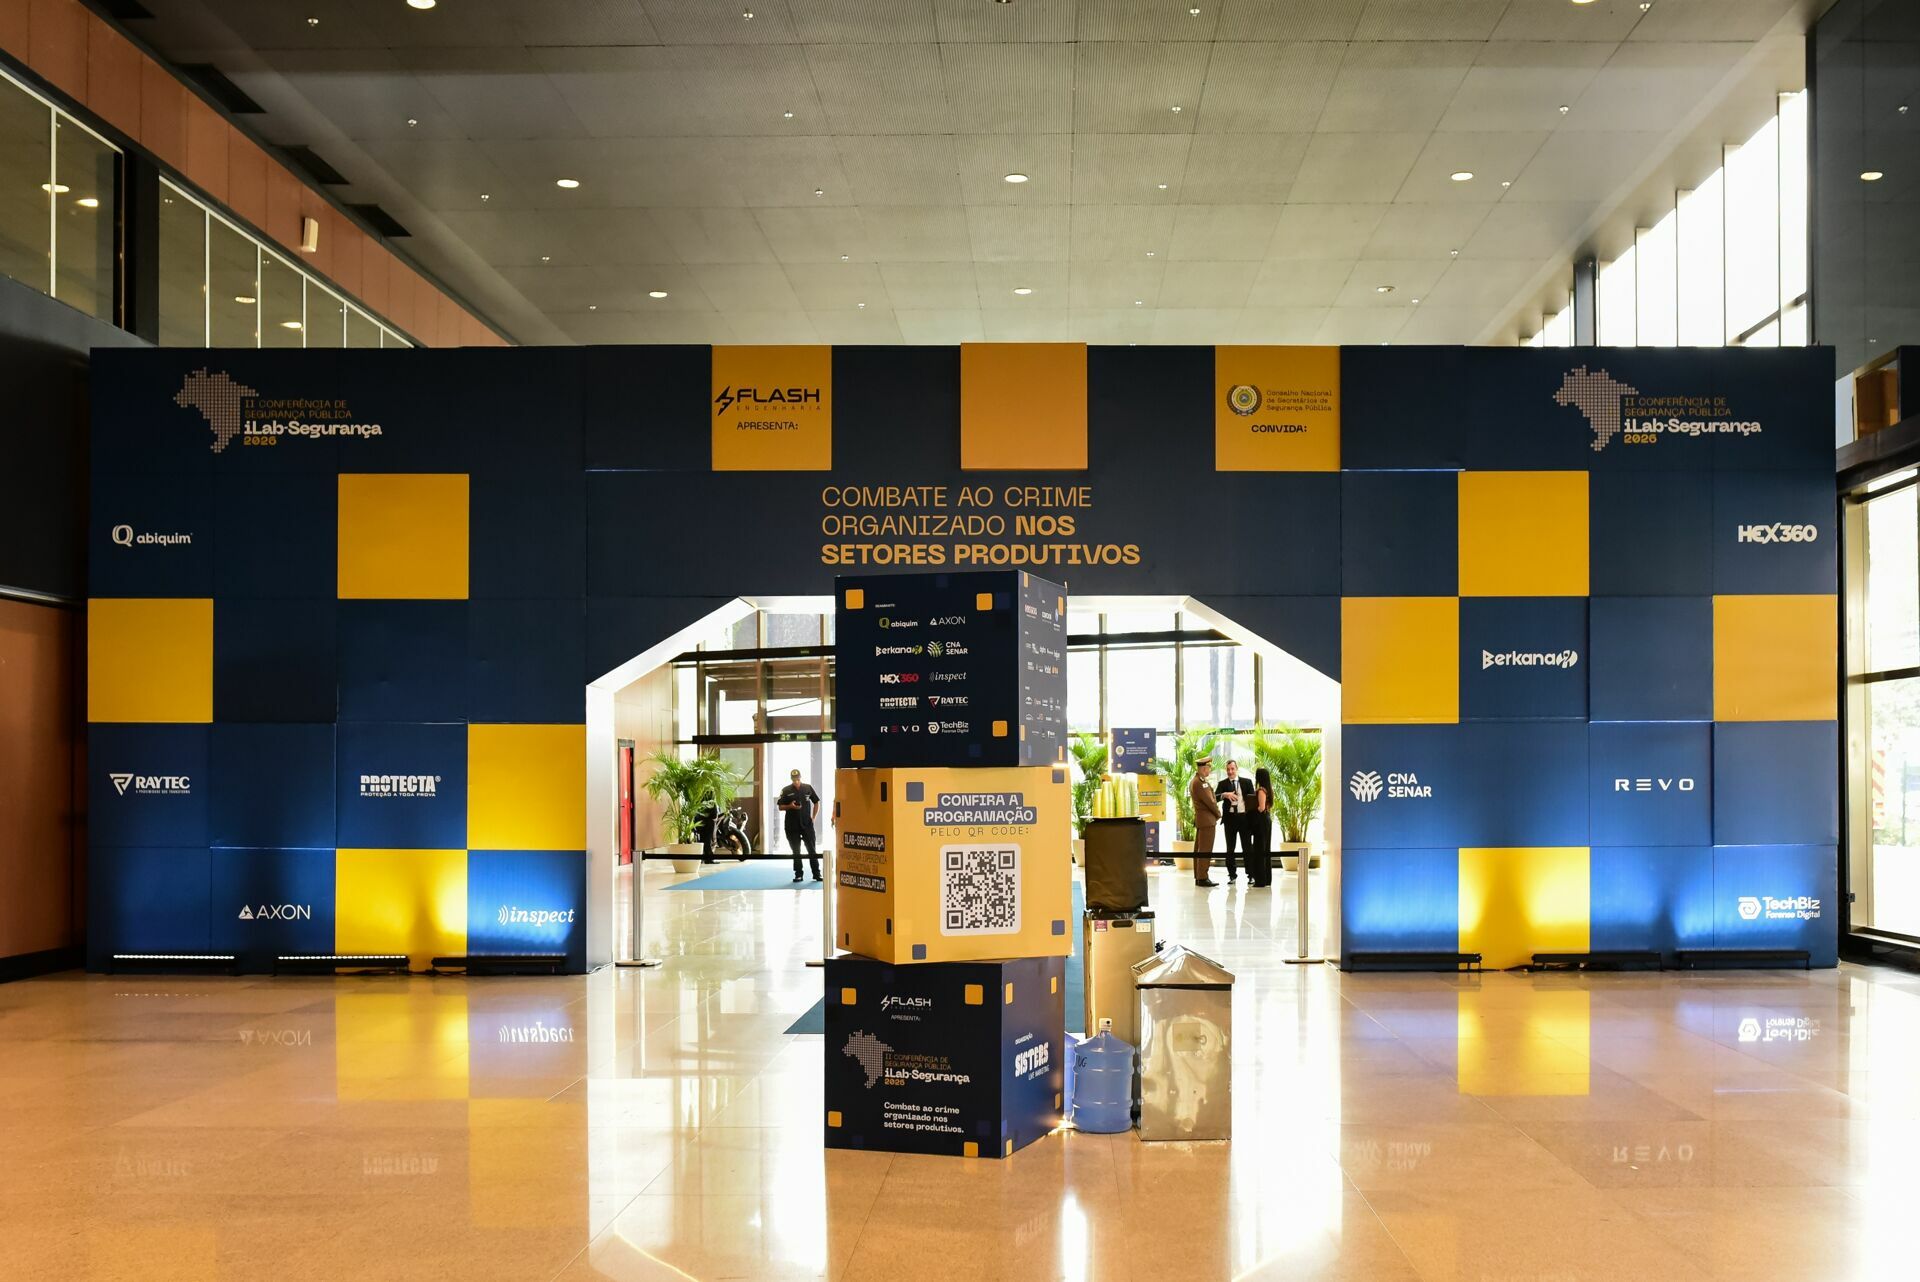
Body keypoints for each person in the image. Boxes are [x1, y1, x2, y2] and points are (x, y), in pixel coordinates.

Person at [777, 768, 822, 882]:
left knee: (812, 849)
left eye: (797, 779)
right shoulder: (786, 790)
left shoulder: (808, 788)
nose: (796, 781)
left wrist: (813, 817)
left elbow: (816, 802)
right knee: (796, 850)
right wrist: (790, 806)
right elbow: (780, 807)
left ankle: (816, 873)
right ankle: (798, 874)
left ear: (800, 778)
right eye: (794, 779)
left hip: (807, 825)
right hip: (792, 826)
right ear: (791, 779)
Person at [1215, 759, 1256, 884]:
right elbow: (1214, 798)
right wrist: (1224, 795)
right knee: (1230, 848)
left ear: (1237, 769)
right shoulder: (1222, 783)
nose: (1230, 771)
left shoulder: (1247, 782)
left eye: (1232, 769)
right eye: (1228, 769)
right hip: (1230, 819)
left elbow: (1252, 800)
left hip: (1244, 819)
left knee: (1247, 847)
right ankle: (1232, 875)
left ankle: (1251, 875)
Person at [1189, 757, 1220, 888]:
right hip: (1207, 821)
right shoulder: (1200, 783)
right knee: (1205, 850)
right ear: (1203, 768)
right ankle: (1202, 877)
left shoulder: (1196, 781)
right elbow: (1210, 802)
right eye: (1208, 768)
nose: (1209, 771)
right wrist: (1218, 814)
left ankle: (1199, 876)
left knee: (1200, 849)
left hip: (1202, 820)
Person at [1249, 766, 1275, 888]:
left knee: (1259, 848)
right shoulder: (1269, 790)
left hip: (1261, 821)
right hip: (1267, 820)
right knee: (1266, 849)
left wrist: (1251, 810)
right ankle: (1266, 878)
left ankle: (1260, 880)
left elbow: (1261, 807)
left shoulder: (1261, 790)